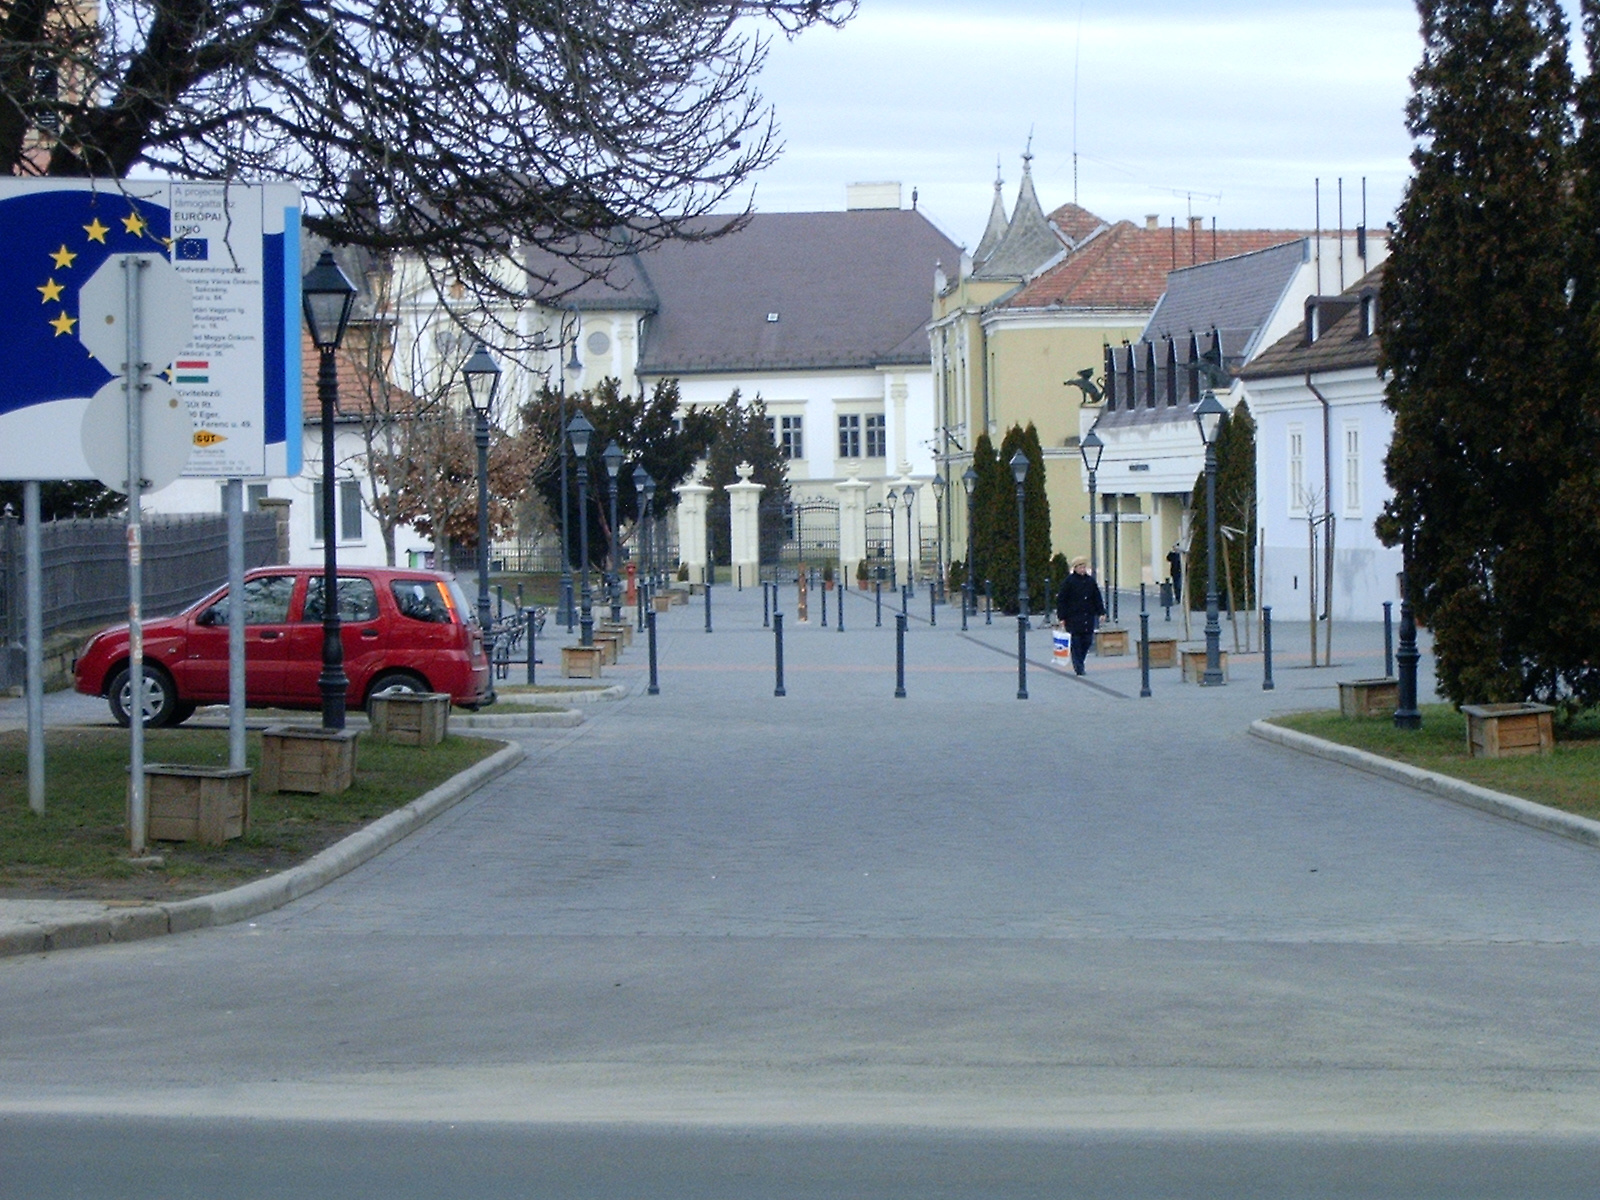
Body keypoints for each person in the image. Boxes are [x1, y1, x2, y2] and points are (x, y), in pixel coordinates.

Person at [1055, 556, 1106, 676]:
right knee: (1076, 642)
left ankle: (1080, 661)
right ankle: (1078, 666)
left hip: (1088, 616)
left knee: (1087, 641)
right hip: (1073, 617)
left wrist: (1101, 612)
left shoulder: (1090, 581)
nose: (1083, 569)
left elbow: (1097, 597)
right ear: (1075, 568)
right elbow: (1061, 600)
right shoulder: (1069, 582)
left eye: (1084, 567)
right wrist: (1062, 617)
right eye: (1080, 567)